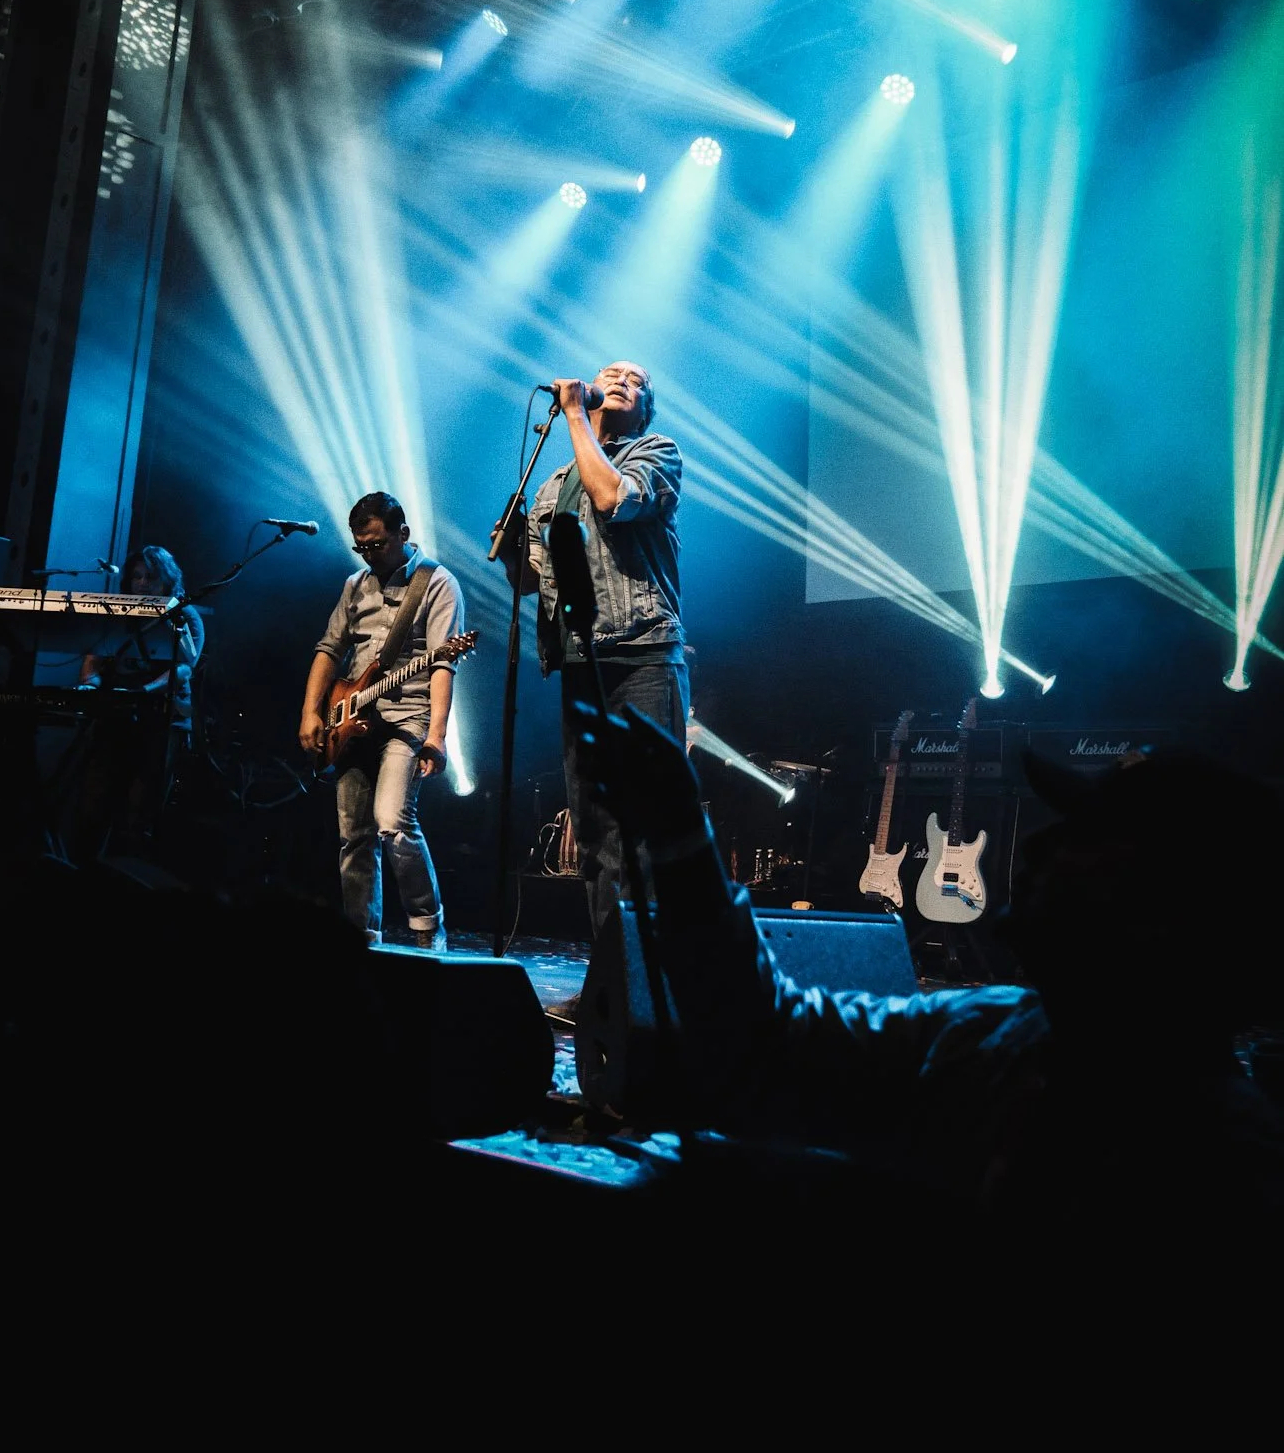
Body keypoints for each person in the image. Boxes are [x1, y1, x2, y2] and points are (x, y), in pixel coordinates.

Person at [569, 704, 1284, 1288]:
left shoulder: (1221, 1169)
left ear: (1168, 905)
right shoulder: (985, 1028)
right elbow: (770, 1036)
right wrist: (680, 844)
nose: (1036, 848)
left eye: (1084, 834)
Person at [497, 361, 688, 963]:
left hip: (641, 655)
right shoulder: (555, 483)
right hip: (580, 666)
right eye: (614, 372)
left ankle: (654, 980)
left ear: (645, 406)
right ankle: (611, 971)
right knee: (596, 829)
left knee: (647, 827)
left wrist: (576, 413)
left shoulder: (655, 452)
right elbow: (531, 581)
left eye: (639, 379)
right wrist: (510, 548)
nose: (624, 378)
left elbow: (613, 500)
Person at [300, 491, 464, 951]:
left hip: (408, 718)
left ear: (403, 534)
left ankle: (427, 928)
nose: (370, 555)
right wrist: (312, 713)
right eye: (362, 547)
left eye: (377, 544)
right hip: (351, 721)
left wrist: (437, 736)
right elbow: (329, 649)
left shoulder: (437, 584)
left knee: (392, 821)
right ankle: (360, 939)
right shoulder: (355, 585)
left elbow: (441, 665)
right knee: (354, 836)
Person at [68, 544, 204, 859]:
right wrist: (90, 685)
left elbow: (184, 667)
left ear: (167, 581)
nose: (141, 584)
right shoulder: (118, 613)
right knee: (93, 802)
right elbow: (95, 656)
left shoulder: (185, 615)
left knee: (138, 808)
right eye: (137, 577)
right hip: (115, 718)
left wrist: (141, 693)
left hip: (161, 719)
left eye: (150, 578)